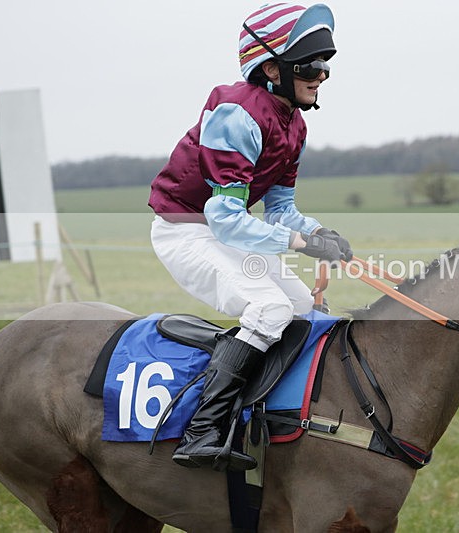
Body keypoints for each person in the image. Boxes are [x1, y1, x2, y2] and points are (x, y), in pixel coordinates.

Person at [148, 2, 352, 470]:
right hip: (186, 231)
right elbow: (224, 218)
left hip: (225, 234)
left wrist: (320, 232)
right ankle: (202, 430)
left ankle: (271, 417)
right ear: (270, 69)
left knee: (303, 309)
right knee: (271, 308)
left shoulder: (294, 125)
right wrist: (302, 245)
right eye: (310, 65)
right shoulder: (236, 115)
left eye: (326, 66)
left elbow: (280, 211)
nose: (321, 75)